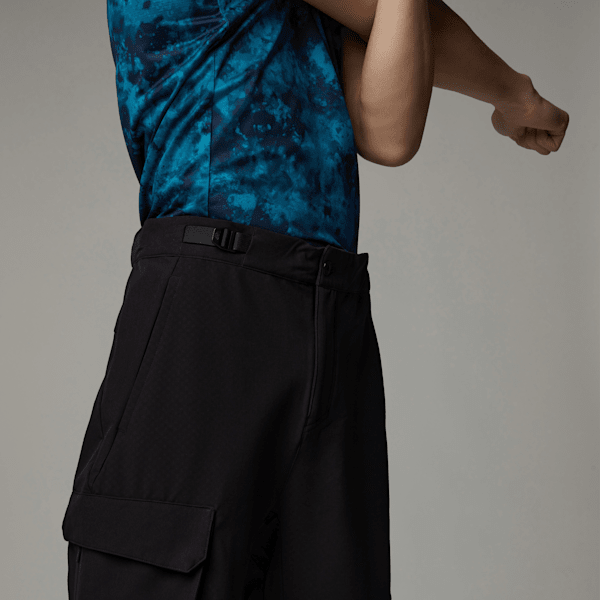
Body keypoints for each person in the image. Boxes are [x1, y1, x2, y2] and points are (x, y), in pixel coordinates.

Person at [61, 0, 569, 598]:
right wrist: (514, 94)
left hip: (329, 302)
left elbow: (389, 130)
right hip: (212, 296)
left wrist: (515, 94)